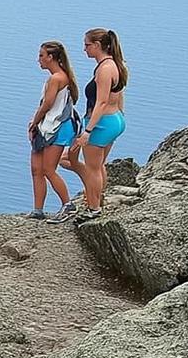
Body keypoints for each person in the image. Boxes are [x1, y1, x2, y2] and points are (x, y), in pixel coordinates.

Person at [73, 28, 129, 214]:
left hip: (102, 123)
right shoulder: (116, 64)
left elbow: (102, 102)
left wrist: (88, 131)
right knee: (99, 166)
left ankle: (93, 208)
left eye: (87, 45)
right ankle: (98, 200)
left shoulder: (104, 69)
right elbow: (119, 96)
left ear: (97, 45)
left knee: (92, 169)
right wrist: (120, 117)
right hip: (115, 120)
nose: (85, 49)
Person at [23, 41, 78, 219]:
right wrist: (36, 122)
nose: (39, 60)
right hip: (46, 127)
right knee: (36, 169)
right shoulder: (59, 77)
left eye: (41, 56)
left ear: (51, 57)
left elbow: (47, 104)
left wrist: (34, 122)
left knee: (48, 169)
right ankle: (38, 210)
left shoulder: (57, 78)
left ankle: (67, 204)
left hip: (55, 128)